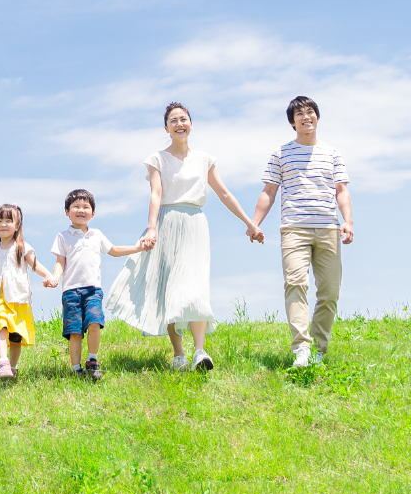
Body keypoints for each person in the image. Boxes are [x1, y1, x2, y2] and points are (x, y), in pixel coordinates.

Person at [103, 101, 264, 371]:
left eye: (184, 119)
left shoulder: (204, 159)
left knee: (195, 286)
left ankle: (200, 352)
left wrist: (250, 223)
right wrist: (152, 228)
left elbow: (224, 194)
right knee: (169, 288)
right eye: (173, 120)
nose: (179, 124)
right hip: (166, 224)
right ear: (166, 127)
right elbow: (155, 194)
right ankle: (179, 354)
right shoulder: (157, 159)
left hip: (195, 225)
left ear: (191, 124)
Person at [249, 94, 353, 368]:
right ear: (293, 123)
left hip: (328, 228)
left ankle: (319, 349)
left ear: (317, 117)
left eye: (310, 112)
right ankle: (301, 350)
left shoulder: (332, 153)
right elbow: (269, 192)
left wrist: (348, 221)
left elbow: (341, 190)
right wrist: (255, 223)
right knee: (296, 284)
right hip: (294, 228)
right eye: (300, 115)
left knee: (330, 292)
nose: (306, 117)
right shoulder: (281, 153)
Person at [50, 188, 145, 380]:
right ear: (67, 211)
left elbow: (114, 250)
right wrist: (54, 278)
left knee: (95, 322)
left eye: (86, 207)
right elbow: (60, 263)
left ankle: (92, 361)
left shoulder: (97, 235)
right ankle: (76, 369)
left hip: (93, 289)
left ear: (93, 213)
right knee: (74, 332)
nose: (81, 210)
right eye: (76, 206)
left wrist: (138, 247)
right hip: (71, 291)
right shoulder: (62, 237)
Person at [0, 202, 57, 379]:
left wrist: (49, 276)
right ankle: (3, 362)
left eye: (8, 220)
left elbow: (35, 265)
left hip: (18, 297)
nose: (3, 224)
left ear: (17, 226)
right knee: (0, 324)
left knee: (16, 335)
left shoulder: (22, 247)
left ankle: (13, 366)